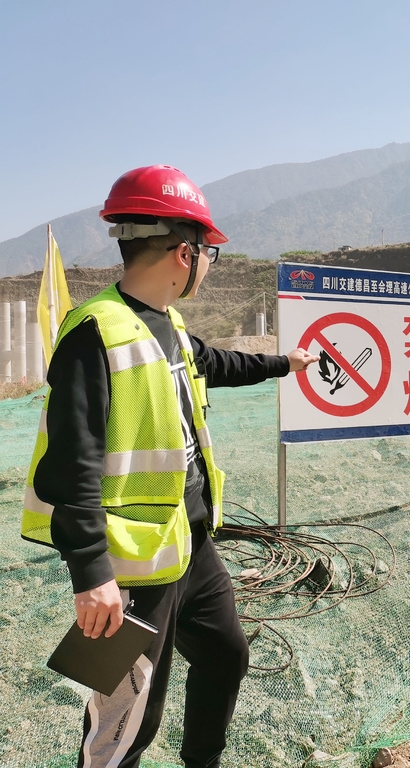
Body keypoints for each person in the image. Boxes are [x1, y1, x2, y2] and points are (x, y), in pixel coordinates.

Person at [21, 165, 317, 768]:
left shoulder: (167, 324)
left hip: (187, 543)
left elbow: (215, 362)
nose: (208, 265)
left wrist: (284, 363)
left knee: (226, 655)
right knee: (128, 717)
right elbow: (71, 464)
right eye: (209, 253)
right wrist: (91, 572)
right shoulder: (95, 332)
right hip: (130, 564)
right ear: (186, 253)